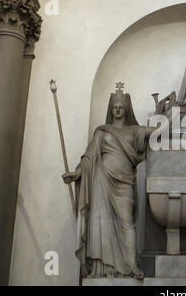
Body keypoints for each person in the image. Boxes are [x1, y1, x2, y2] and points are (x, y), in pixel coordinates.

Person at [62, 87, 157, 279]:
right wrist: (77, 173)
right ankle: (101, 268)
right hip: (102, 179)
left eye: (122, 106)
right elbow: (89, 157)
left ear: (127, 109)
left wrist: (166, 111)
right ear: (111, 109)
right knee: (100, 222)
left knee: (127, 222)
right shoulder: (101, 131)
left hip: (124, 183)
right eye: (115, 106)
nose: (118, 109)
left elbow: (157, 131)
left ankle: (131, 266)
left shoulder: (134, 131)